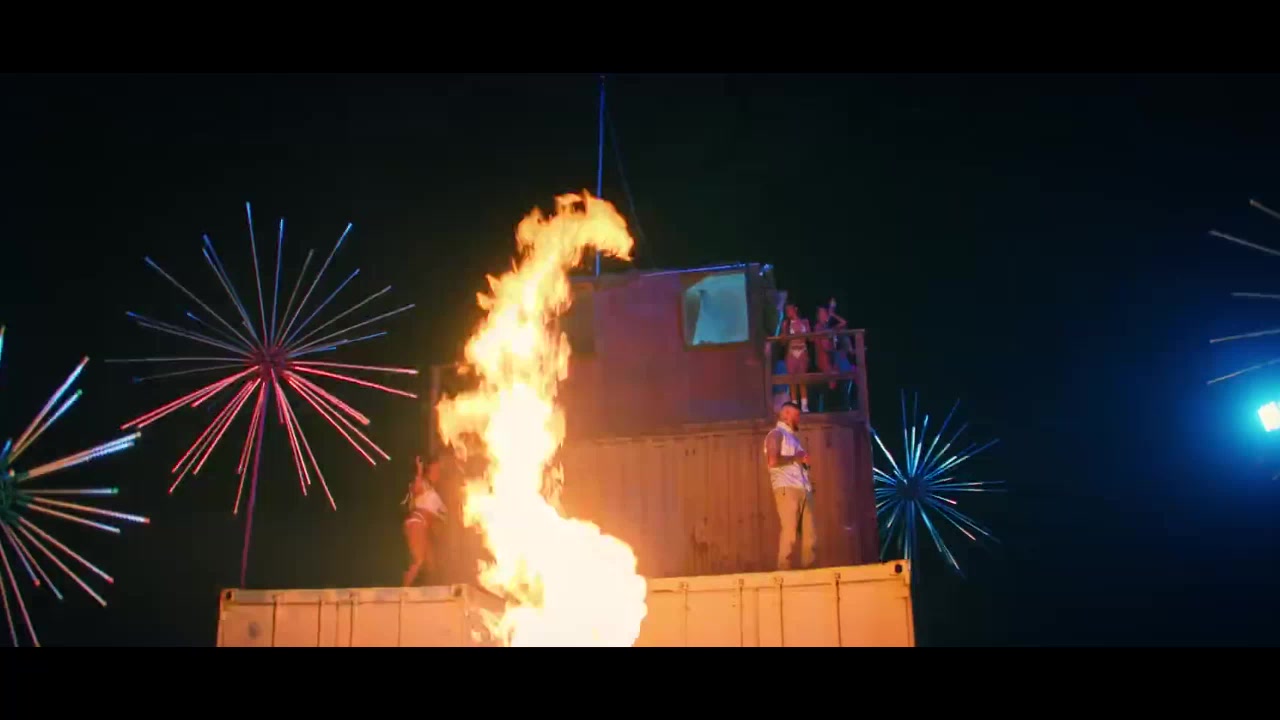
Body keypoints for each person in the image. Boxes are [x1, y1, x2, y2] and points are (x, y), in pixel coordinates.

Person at [763, 401, 816, 570]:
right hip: (787, 488)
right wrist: (796, 458)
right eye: (796, 415)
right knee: (790, 532)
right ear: (785, 414)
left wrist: (805, 466)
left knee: (810, 535)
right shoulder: (776, 434)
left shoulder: (793, 439)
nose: (799, 419)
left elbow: (796, 462)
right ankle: (784, 571)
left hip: (803, 488)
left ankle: (810, 571)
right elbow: (772, 461)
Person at [402, 455, 447, 587]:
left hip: (425, 528)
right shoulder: (423, 484)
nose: (437, 473)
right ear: (428, 470)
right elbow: (416, 488)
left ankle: (427, 588)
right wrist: (419, 471)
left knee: (431, 563)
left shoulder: (435, 493)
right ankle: (403, 591)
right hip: (417, 523)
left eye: (439, 471)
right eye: (435, 470)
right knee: (419, 559)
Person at [781, 303, 811, 412]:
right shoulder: (786, 323)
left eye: (790, 309)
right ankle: (794, 406)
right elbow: (783, 343)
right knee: (792, 381)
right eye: (786, 310)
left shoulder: (804, 322)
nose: (788, 312)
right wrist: (785, 333)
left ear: (795, 309)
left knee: (802, 380)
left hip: (802, 352)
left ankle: (804, 406)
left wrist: (803, 333)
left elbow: (810, 338)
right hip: (791, 353)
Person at [813, 298, 848, 392]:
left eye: (824, 313)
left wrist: (832, 314)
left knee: (838, 367)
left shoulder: (830, 327)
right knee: (831, 373)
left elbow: (844, 323)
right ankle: (830, 389)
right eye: (821, 314)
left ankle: (835, 389)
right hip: (822, 356)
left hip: (831, 355)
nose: (823, 316)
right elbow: (821, 345)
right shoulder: (817, 327)